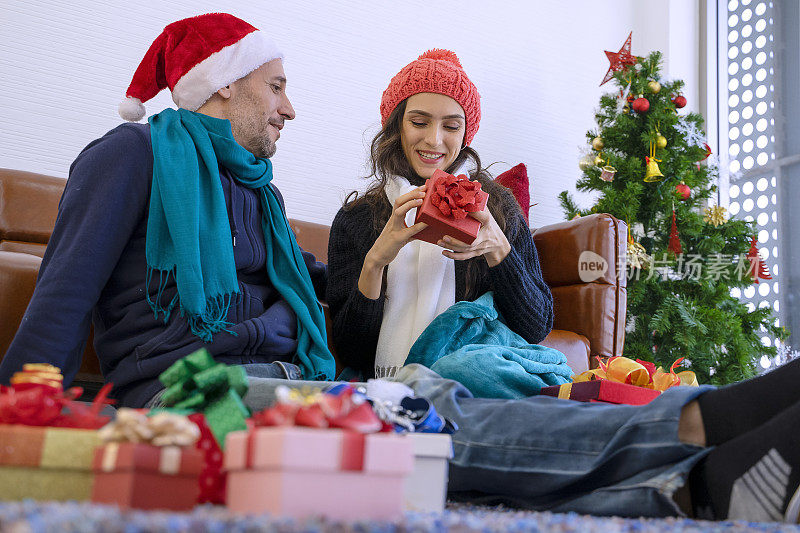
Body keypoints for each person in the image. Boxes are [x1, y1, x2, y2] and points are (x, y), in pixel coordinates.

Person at [325, 49, 800, 521]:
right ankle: (713, 460)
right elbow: (353, 352)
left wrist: (499, 250)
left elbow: (534, 326)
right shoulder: (358, 220)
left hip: (489, 374)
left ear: (466, 133)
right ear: (395, 126)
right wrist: (377, 260)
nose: (435, 139)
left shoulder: (498, 208)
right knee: (463, 376)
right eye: (419, 122)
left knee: (473, 371)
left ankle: (712, 468)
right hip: (407, 386)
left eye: (451, 125)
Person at [0, 13, 336, 408]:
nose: (289, 109)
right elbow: (67, 288)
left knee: (414, 399)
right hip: (186, 387)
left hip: (292, 379)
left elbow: (309, 276)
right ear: (225, 81)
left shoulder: (263, 192)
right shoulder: (133, 154)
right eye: (276, 87)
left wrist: (388, 255)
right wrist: (22, 410)